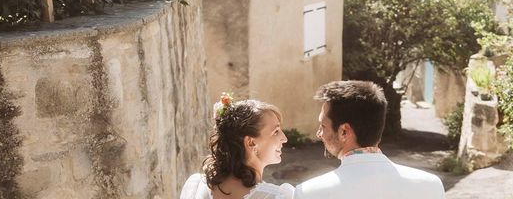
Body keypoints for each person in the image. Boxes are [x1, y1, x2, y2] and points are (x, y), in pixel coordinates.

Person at [294, 80, 445, 199]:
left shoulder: (308, 194)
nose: (319, 134)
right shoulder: (430, 185)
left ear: (344, 131)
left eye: (323, 126)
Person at [180, 95, 294, 199]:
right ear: (251, 143)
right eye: (276, 131)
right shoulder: (278, 196)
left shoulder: (196, 186)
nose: (284, 138)